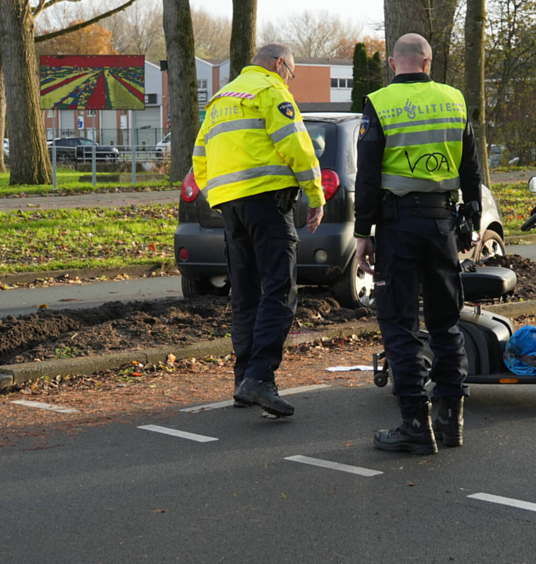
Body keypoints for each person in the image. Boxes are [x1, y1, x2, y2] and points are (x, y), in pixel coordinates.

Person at [353, 33, 482, 456]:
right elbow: (471, 164)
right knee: (446, 322)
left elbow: (368, 175)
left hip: (399, 226)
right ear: (429, 63)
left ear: (393, 63)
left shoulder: (381, 103)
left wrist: (362, 234)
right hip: (443, 223)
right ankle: (452, 420)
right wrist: (473, 216)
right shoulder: (453, 99)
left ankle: (414, 423)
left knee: (400, 323)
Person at [192, 43, 325, 418]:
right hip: (268, 202)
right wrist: (315, 196)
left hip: (229, 207)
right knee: (279, 289)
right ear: (280, 63)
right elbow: (297, 147)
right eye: (292, 73)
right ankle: (261, 378)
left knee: (245, 293)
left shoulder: (220, 98)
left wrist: (218, 195)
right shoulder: (271, 91)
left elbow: (199, 156)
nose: (290, 81)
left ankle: (243, 381)